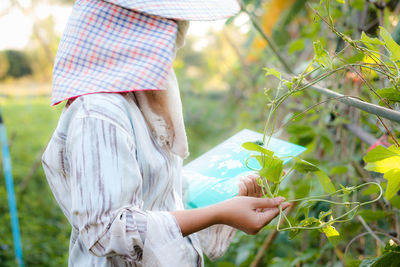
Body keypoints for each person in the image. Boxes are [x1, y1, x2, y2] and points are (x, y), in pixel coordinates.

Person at [41, 0, 290, 266]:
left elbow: (159, 192)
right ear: (136, 34)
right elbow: (107, 231)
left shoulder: (140, 101)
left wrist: (229, 190)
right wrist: (219, 213)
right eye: (166, 31)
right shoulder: (100, 113)